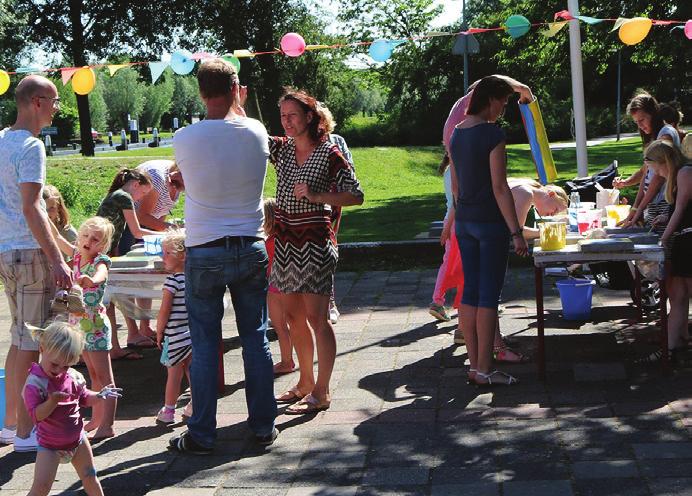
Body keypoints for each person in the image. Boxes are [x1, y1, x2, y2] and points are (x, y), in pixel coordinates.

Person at [170, 58, 277, 453]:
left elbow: (192, 173)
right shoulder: (256, 130)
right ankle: (263, 425)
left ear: (201, 93)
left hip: (205, 248)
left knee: (204, 344)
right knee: (255, 339)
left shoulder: (185, 137)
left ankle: (202, 433)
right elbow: (241, 135)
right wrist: (239, 106)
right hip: (250, 244)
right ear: (236, 90)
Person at [270, 89, 364, 415]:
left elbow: (356, 195)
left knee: (317, 319)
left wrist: (318, 194)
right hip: (284, 245)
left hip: (314, 245)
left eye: (293, 115)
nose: (287, 122)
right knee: (292, 317)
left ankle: (322, 392)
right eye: (282, 116)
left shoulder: (328, 152)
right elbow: (248, 135)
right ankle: (305, 383)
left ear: (310, 116)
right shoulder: (280, 150)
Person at [0, 74, 72, 452]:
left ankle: (11, 424)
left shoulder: (0, 140)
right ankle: (26, 433)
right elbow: (32, 208)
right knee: (31, 344)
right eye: (55, 100)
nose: (57, 108)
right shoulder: (31, 146)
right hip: (29, 254)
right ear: (37, 101)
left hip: (7, 252)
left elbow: (33, 207)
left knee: (17, 341)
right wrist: (58, 260)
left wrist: (60, 244)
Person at [450, 75, 529, 386]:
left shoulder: (457, 133)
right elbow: (500, 188)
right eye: (504, 102)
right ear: (491, 99)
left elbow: (456, 187)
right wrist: (517, 232)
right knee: (488, 298)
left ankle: (474, 366)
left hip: (465, 222)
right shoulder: (492, 133)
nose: (504, 108)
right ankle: (485, 369)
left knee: (469, 293)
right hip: (490, 224)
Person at [22, 322, 121, 496]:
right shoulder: (35, 384)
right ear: (42, 349)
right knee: (41, 487)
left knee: (90, 477)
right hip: (50, 446)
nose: (60, 370)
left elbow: (83, 398)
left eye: (66, 366)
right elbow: (36, 415)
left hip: (78, 440)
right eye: (54, 364)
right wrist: (52, 401)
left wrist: (98, 396)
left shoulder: (72, 377)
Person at [51, 216, 118, 440]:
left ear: (104, 244)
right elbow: (58, 237)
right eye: (85, 236)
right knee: (93, 375)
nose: (89, 241)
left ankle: (107, 425)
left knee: (105, 377)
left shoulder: (101, 261)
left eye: (96, 239)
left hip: (96, 327)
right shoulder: (77, 255)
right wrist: (41, 213)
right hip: (81, 326)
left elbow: (101, 275)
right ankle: (97, 419)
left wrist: (92, 279)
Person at [117, 160, 185, 343]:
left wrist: (163, 232)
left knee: (145, 277)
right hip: (128, 229)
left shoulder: (176, 179)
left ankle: (144, 328)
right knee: (127, 278)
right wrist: (169, 228)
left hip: (144, 231)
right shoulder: (157, 177)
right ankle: (133, 333)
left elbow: (159, 213)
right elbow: (141, 216)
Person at [96, 168, 161, 359]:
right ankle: (113, 349)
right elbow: (138, 231)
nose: (141, 198)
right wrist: (168, 235)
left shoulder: (117, 195)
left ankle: (114, 347)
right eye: (143, 193)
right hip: (100, 254)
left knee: (109, 301)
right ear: (135, 185)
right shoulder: (124, 197)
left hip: (103, 252)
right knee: (107, 302)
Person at [637, 140, 690, 362]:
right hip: (683, 241)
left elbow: (681, 209)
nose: (657, 174)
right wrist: (666, 219)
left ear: (664, 161)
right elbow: (682, 210)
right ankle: (670, 347)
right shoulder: (678, 176)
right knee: (678, 296)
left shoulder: (685, 172)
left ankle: (671, 348)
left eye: (657, 169)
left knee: (680, 294)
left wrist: (664, 239)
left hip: (688, 241)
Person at [614, 92, 680, 230]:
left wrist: (639, 209)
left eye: (642, 120)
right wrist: (635, 207)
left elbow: (658, 178)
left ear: (653, 114)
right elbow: (645, 173)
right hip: (654, 204)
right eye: (636, 122)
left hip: (664, 202)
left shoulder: (666, 134)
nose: (640, 126)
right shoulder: (653, 137)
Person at [321, 103, 355, 324]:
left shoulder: (337, 141)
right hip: (309, 204)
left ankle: (330, 302)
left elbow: (350, 172)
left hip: (332, 204)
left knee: (328, 251)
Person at [155, 229, 193, 424]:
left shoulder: (172, 281)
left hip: (174, 336)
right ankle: (194, 405)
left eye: (168, 253)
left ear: (182, 255)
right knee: (192, 371)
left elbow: (164, 310)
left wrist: (159, 330)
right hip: (192, 334)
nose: (163, 257)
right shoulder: (193, 279)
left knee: (174, 376)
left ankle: (169, 410)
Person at [263, 198, 295, 375]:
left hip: (275, 287)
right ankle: (289, 359)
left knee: (280, 326)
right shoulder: (287, 237)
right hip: (291, 285)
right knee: (292, 325)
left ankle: (286, 361)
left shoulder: (270, 242)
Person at [43, 185, 78, 250]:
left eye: (51, 208)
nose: (47, 213)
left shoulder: (66, 231)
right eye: (43, 209)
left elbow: (81, 254)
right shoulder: (30, 229)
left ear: (58, 207)